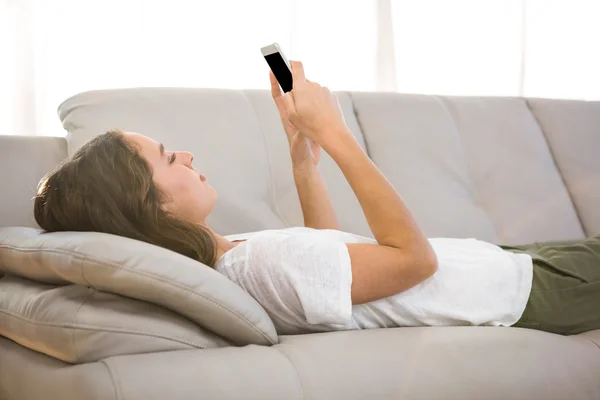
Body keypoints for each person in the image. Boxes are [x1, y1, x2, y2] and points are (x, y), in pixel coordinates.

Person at [34, 61, 600, 337]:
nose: (183, 155)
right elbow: (415, 260)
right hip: (516, 294)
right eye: (165, 157)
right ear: (148, 204)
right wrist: (337, 134)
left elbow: (325, 254)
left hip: (502, 265)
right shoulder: (259, 265)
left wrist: (303, 158)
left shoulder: (237, 258)